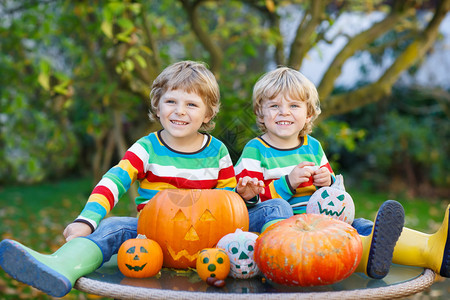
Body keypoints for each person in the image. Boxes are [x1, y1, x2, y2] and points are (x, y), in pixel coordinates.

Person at [0, 61, 265, 297]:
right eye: (171, 101)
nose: (180, 111)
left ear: (207, 115)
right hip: (149, 235)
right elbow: (114, 181)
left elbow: (230, 207)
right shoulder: (147, 148)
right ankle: (61, 267)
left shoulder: (218, 151)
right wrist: (86, 220)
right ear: (157, 106)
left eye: (191, 104)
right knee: (112, 228)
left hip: (208, 243)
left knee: (271, 209)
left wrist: (245, 196)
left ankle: (278, 263)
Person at [234, 66, 449, 280]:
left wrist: (326, 183)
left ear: (308, 114)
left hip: (319, 228)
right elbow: (247, 206)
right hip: (284, 240)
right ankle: (361, 258)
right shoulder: (256, 149)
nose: (284, 112)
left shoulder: (313, 147)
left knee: (362, 227)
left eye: (293, 105)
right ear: (260, 112)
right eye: (274, 105)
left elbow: (336, 197)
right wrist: (287, 183)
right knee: (279, 207)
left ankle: (431, 251)